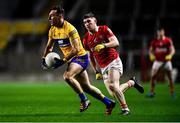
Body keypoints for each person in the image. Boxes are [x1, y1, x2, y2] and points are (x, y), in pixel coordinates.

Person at [41, 6, 116, 115]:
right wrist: (44, 58)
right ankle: (108, 102)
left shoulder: (70, 29)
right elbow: (49, 47)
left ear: (60, 16)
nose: (49, 18)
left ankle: (84, 100)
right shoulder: (52, 30)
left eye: (51, 16)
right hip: (72, 60)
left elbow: (76, 49)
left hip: (80, 58)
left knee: (67, 76)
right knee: (87, 87)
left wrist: (62, 61)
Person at [82, 12, 144, 115]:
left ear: (95, 21)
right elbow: (91, 56)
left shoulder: (104, 29)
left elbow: (116, 42)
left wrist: (104, 45)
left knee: (113, 86)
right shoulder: (85, 39)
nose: (87, 24)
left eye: (89, 21)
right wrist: (96, 71)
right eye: (85, 22)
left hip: (113, 61)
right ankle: (132, 82)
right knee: (114, 93)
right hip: (103, 67)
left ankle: (125, 109)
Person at [147, 27, 176, 97]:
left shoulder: (168, 40)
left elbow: (173, 50)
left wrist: (170, 55)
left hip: (167, 61)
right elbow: (150, 50)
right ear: (157, 33)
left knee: (170, 77)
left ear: (163, 32)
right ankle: (152, 92)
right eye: (159, 32)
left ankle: (172, 92)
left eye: (161, 31)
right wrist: (151, 55)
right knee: (153, 76)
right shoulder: (154, 41)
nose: (160, 33)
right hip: (157, 61)